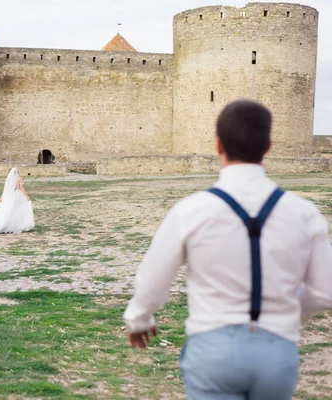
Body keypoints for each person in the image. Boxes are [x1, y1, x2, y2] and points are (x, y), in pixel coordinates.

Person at [123, 99, 332, 399]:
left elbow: (153, 280)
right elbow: (325, 292)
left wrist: (139, 320)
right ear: (269, 147)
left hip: (213, 350)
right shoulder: (305, 213)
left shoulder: (191, 211)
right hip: (277, 352)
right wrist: (282, 312)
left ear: (218, 145)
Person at [0, 167, 34, 235]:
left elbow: (6, 190)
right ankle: (13, 225)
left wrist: (1, 197)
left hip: (9, 195)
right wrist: (27, 196)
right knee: (16, 210)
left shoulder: (9, 180)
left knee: (9, 210)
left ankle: (7, 225)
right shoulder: (19, 179)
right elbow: (21, 188)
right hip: (17, 195)